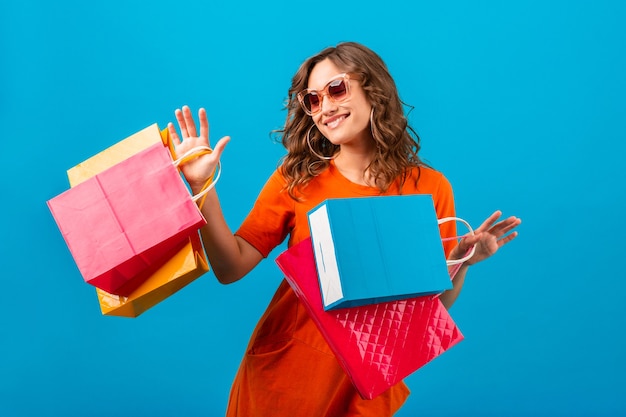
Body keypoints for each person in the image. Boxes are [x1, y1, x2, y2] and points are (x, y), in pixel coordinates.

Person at [167, 42, 521, 416]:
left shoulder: (429, 188)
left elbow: (427, 310)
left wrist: (462, 261)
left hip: (366, 386)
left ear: (374, 90)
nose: (326, 108)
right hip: (285, 376)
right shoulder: (297, 179)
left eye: (336, 89)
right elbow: (230, 267)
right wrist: (201, 188)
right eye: (313, 100)